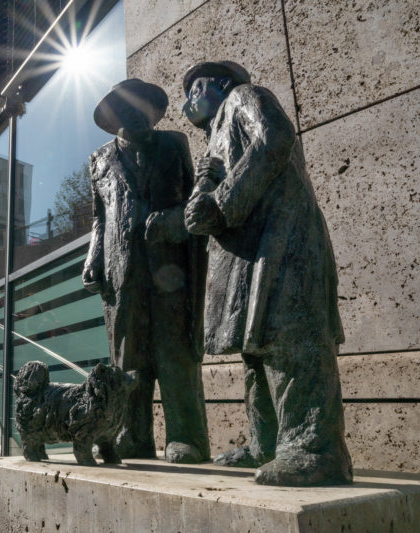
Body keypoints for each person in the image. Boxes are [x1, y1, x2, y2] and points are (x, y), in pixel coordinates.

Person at [182, 61, 352, 485]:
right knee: (256, 349)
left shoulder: (245, 97)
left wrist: (222, 201)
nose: (189, 99)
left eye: (197, 87)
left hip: (283, 238)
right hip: (254, 248)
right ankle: (268, 443)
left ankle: (316, 449)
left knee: (289, 340)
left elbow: (274, 138)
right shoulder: (215, 136)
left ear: (223, 84)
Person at [82, 78, 210, 463]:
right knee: (128, 355)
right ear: (115, 116)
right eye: (129, 111)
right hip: (122, 271)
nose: (138, 117)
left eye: (144, 110)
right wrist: (93, 258)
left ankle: (187, 436)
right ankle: (131, 434)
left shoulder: (174, 144)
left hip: (171, 267)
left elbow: (194, 200)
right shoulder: (99, 159)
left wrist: (173, 220)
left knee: (175, 349)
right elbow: (98, 217)